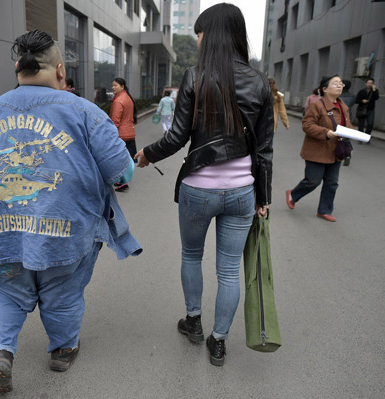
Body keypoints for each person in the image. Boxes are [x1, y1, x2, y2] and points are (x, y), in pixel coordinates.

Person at [0, 29, 141, 393]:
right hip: (67, 237)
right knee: (64, 292)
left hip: (2, 232)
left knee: (5, 290)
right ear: (60, 71)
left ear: (17, 69)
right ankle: (62, 349)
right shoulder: (85, 113)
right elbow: (122, 171)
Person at [134, 3, 273, 367]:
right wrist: (264, 197)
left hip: (199, 188)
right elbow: (265, 148)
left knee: (191, 256)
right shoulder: (259, 81)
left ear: (210, 36)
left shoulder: (195, 76)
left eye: (198, 34)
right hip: (243, 191)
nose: (196, 41)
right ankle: (220, 340)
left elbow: (177, 137)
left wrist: (147, 154)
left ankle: (193, 321)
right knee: (228, 270)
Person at [286, 75, 351, 222]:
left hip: (336, 151)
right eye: (335, 83)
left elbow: (348, 126)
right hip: (317, 151)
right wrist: (325, 132)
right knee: (312, 181)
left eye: (341, 83)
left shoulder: (344, 107)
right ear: (325, 89)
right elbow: (307, 125)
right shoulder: (317, 105)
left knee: (332, 183)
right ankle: (293, 194)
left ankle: (324, 210)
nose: (339, 86)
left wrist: (351, 134)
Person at [110, 77, 138, 192]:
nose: (113, 87)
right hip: (129, 132)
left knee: (121, 159)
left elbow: (115, 121)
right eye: (112, 85)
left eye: (115, 85)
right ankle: (120, 179)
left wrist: (111, 135)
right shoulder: (127, 98)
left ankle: (124, 182)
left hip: (121, 134)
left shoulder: (118, 101)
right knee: (127, 158)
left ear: (122, 86)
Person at [355, 77, 380, 144]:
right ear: (366, 83)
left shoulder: (374, 91)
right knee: (361, 125)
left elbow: (376, 98)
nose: (369, 84)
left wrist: (374, 90)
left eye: (371, 83)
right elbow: (356, 100)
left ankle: (366, 137)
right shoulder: (361, 91)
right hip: (361, 109)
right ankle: (360, 138)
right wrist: (362, 101)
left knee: (370, 124)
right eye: (368, 83)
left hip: (370, 110)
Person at [339, 79, 355, 165]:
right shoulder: (352, 97)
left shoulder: (337, 96)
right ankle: (348, 153)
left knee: (336, 137)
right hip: (348, 119)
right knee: (346, 137)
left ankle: (337, 154)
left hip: (337, 118)